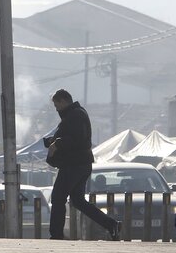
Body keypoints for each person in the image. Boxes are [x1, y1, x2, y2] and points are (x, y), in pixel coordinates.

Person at [44, 89, 121, 240]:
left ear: (63, 101)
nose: (56, 108)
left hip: (74, 164)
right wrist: (53, 140)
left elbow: (76, 139)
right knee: (78, 201)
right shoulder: (75, 114)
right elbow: (71, 136)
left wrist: (57, 144)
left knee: (58, 197)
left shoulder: (75, 115)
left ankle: (56, 235)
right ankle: (111, 225)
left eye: (56, 104)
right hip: (81, 164)